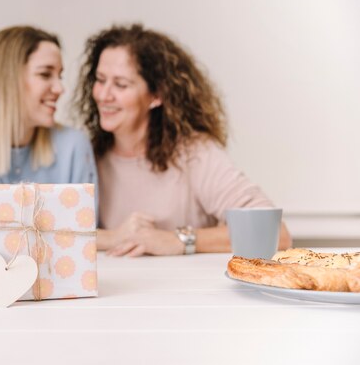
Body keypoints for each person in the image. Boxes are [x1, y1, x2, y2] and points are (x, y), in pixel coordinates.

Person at [73, 24, 292, 257]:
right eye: (100, 80)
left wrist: (179, 239)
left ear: (156, 95)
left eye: (121, 85)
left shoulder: (195, 154)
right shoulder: (86, 156)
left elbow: (276, 233)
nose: (104, 95)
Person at [0, 26, 97, 218]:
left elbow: (84, 231)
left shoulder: (73, 144)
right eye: (45, 74)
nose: (60, 88)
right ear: (7, 79)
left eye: (59, 76)